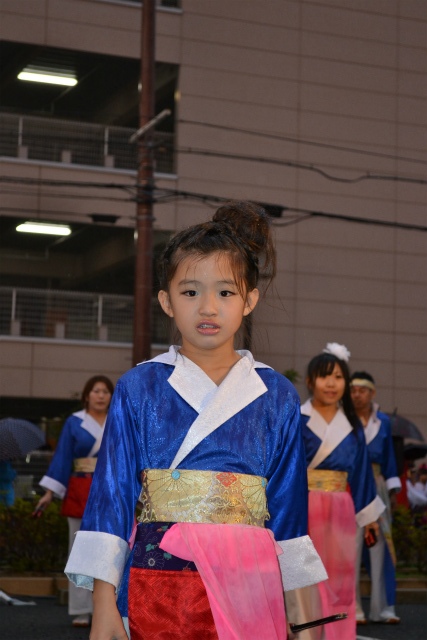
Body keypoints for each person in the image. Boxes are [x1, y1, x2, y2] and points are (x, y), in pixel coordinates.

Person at [65, 201, 327, 640]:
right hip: (157, 584)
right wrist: (103, 606)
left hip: (250, 584)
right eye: (190, 292)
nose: (208, 307)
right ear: (166, 301)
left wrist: (303, 617)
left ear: (250, 300)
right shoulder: (138, 387)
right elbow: (111, 499)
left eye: (225, 292)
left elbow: (288, 511)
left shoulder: (276, 394)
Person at [285, 343, 385, 640]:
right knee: (303, 573)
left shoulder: (352, 426)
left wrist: (370, 518)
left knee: (340, 575)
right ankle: (305, 633)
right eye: (324, 376)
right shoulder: (297, 419)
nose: (331, 384)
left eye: (339, 377)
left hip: (341, 507)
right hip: (302, 506)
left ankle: (339, 634)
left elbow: (362, 474)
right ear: (310, 381)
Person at [35, 375, 114, 628]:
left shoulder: (118, 420)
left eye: (105, 391)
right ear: (86, 396)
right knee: (79, 550)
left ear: (111, 397)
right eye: (96, 391)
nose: (100, 395)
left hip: (109, 489)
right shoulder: (74, 422)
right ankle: (81, 608)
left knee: (110, 550)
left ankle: (106, 608)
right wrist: (49, 493)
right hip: (80, 489)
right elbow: (62, 457)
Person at [350, 371, 401, 625]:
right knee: (351, 546)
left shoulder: (383, 421)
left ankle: (383, 608)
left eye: (362, 390)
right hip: (352, 484)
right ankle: (353, 608)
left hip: (378, 483)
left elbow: (389, 455)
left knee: (380, 545)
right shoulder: (344, 418)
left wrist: (392, 489)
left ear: (372, 393)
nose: (357, 394)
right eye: (353, 390)